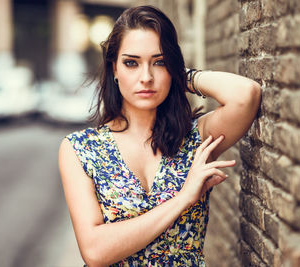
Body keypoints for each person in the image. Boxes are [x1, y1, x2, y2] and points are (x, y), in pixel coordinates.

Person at [58, 5, 261, 267]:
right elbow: (95, 252)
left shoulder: (194, 138)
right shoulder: (80, 150)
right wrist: (183, 199)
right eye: (131, 63)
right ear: (114, 69)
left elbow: (247, 95)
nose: (146, 77)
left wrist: (181, 76)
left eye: (159, 62)